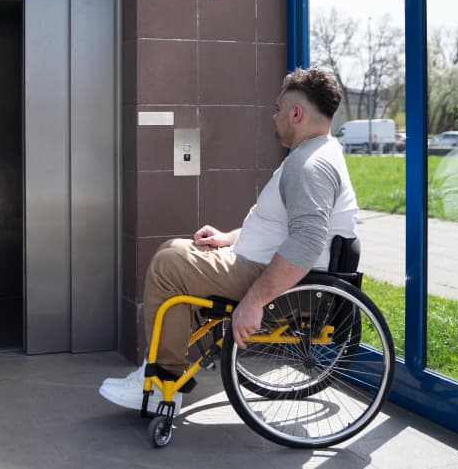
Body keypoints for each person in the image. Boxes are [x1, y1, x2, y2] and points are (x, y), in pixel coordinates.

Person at [98, 66, 359, 413]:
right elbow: (280, 227)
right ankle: (161, 372)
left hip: (274, 281)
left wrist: (254, 301)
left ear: (296, 113)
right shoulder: (316, 156)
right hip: (258, 263)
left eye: (278, 108)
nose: (274, 116)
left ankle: (162, 380)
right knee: (176, 252)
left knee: (168, 264)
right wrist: (228, 238)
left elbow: (306, 242)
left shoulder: (308, 167)